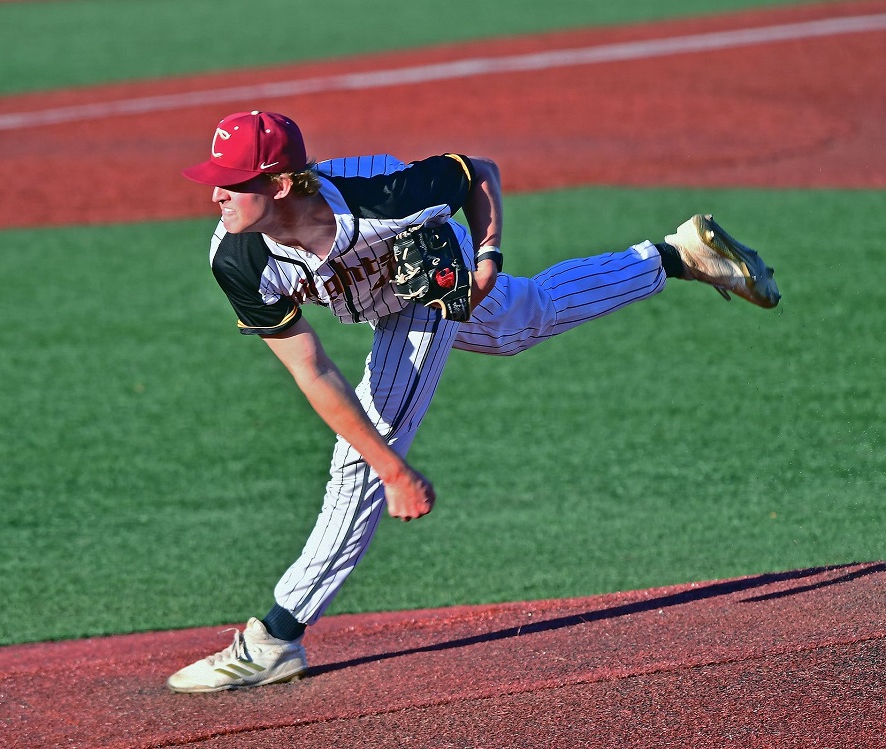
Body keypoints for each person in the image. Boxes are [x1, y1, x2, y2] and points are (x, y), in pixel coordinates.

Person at [166, 110, 780, 693]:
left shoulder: (383, 194)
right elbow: (312, 369)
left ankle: (276, 637)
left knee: (360, 461)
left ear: (279, 182)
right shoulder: (237, 256)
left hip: (430, 274)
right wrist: (393, 467)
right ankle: (677, 257)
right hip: (383, 290)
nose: (215, 195)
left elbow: (477, 172)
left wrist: (486, 257)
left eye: (231, 182)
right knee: (522, 321)